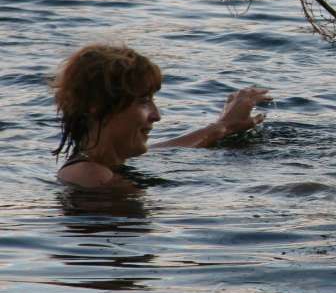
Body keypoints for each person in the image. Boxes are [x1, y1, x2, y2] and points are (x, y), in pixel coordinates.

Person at [52, 43, 271, 189]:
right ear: (98, 106)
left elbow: (165, 149)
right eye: (144, 101)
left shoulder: (104, 164)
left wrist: (224, 126)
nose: (156, 116)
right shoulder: (90, 175)